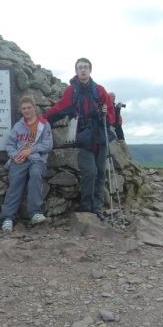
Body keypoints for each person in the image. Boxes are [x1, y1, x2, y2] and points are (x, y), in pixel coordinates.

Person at [42, 58, 115, 220]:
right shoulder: (72, 91)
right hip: (84, 137)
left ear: (90, 70)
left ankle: (97, 207)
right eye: (80, 67)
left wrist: (106, 115)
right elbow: (61, 108)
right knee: (90, 171)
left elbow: (110, 112)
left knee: (101, 172)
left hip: (100, 135)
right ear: (76, 71)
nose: (83, 70)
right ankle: (86, 205)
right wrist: (43, 119)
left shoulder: (99, 90)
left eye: (85, 67)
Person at [0, 96, 53, 232]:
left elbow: (48, 145)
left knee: (35, 175)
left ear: (34, 108)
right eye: (24, 108)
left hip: (37, 160)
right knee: (15, 181)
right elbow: (10, 145)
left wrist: (31, 150)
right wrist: (13, 156)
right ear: (21, 111)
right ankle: (7, 218)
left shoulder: (44, 124)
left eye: (29, 107)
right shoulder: (18, 126)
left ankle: (35, 213)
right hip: (19, 160)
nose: (27, 110)